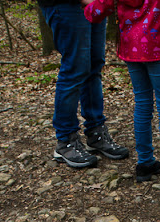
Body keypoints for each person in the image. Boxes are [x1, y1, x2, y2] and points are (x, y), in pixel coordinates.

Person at [82, 0, 160, 190]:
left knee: (143, 102)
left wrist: (88, 7)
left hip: (132, 46)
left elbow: (97, 10)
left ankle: (145, 163)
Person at [37, 0, 129, 168]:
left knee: (94, 67)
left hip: (95, 4)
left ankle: (96, 133)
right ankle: (66, 141)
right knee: (74, 69)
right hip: (65, 6)